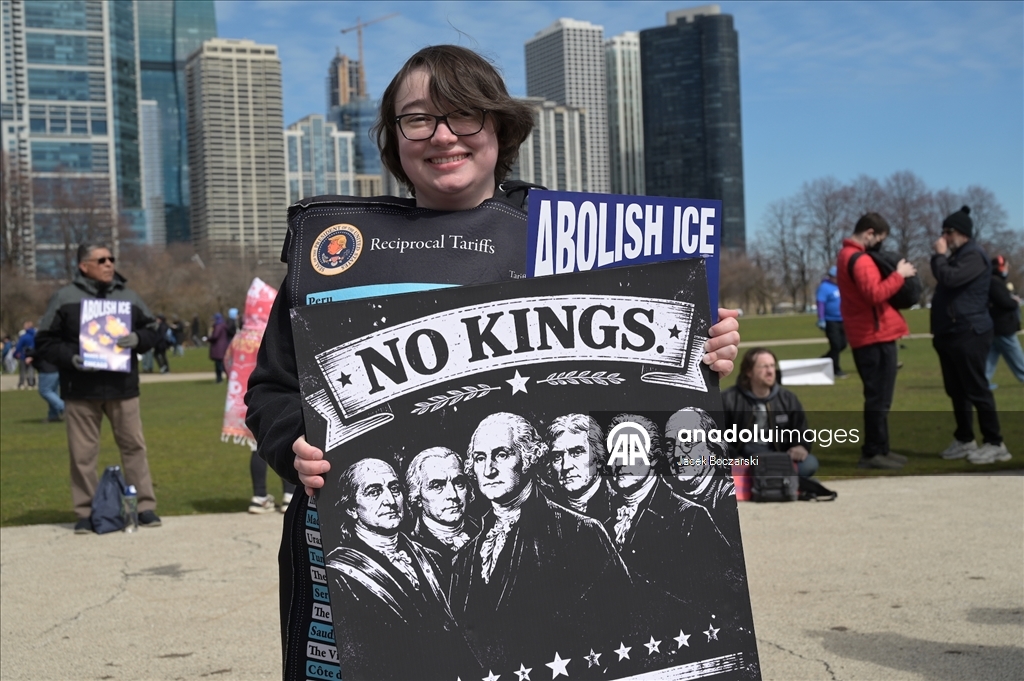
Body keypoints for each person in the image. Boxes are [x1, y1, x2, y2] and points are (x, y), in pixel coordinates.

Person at [245, 45, 743, 680]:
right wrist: (294, 445)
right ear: (394, 140)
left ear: (500, 129)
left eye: (464, 116)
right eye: (417, 119)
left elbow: (634, 385)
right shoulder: (337, 253)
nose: (442, 135)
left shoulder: (575, 240)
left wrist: (701, 360)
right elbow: (272, 391)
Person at [449, 413, 631, 671]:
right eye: (480, 458)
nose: (489, 470)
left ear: (528, 457)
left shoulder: (581, 532)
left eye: (502, 454)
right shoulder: (463, 560)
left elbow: (619, 630)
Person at [34, 243, 162, 533]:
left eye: (111, 259)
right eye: (101, 259)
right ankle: (85, 512)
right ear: (84, 266)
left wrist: (137, 338)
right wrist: (72, 357)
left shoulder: (128, 297)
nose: (109, 264)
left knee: (134, 448)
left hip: (123, 387)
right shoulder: (64, 297)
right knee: (82, 454)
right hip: (80, 389)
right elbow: (44, 341)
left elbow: (155, 330)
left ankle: (144, 507)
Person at [324, 457, 480, 680]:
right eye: (374, 491)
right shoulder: (338, 576)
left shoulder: (433, 558)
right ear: (351, 508)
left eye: (394, 489)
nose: (390, 500)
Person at [606, 414, 730, 627]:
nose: (618, 461)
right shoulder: (604, 520)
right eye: (614, 452)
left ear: (654, 457)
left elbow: (722, 597)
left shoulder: (690, 516)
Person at [836, 213, 915, 469]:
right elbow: (875, 293)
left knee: (880, 398)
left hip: (869, 335)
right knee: (878, 398)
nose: (879, 244)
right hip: (873, 336)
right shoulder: (859, 259)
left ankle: (881, 449)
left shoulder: (846, 255)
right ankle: (872, 453)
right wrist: (900, 275)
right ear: (869, 233)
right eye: (879, 239)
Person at [931, 207, 1010, 465]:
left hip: (969, 331)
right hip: (951, 332)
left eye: (948, 232)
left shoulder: (974, 255)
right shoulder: (958, 256)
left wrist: (939, 256)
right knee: (957, 391)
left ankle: (995, 442)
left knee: (977, 389)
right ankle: (965, 438)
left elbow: (949, 279)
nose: (944, 237)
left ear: (962, 233)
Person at [721, 348, 819, 476]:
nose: (770, 371)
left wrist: (801, 446)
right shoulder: (729, 399)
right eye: (764, 367)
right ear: (749, 372)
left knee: (809, 464)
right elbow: (716, 436)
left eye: (772, 366)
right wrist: (734, 457)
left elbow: (801, 431)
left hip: (778, 457)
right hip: (744, 458)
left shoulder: (787, 399)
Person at [663, 407, 738, 534]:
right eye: (670, 446)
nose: (676, 454)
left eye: (688, 443)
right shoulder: (663, 495)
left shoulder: (729, 497)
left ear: (713, 449)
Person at [405, 447, 478, 569]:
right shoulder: (410, 546)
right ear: (417, 497)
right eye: (437, 486)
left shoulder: (484, 529)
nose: (453, 495)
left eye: (458, 483)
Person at [544, 413, 616, 524]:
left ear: (598, 457)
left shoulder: (620, 504)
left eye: (577, 453)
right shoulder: (543, 510)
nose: (566, 466)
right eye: (557, 456)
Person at [986, 255, 1024, 389]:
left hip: (997, 326)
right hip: (1003, 326)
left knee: (991, 355)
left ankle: (983, 381)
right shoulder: (995, 282)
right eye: (1006, 266)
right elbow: (1004, 302)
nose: (1007, 269)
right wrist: (1014, 302)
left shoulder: (994, 282)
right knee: (1016, 354)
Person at [816, 265, 847, 377]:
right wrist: (821, 319)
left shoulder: (841, 286)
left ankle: (823, 360)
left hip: (842, 319)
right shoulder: (824, 287)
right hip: (830, 320)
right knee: (835, 345)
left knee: (843, 344)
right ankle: (836, 369)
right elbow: (821, 304)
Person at [29, 345, 64, 422]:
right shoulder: (55, 342)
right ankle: (53, 415)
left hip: (47, 370)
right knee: (53, 392)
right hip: (56, 368)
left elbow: (37, 351)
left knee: (45, 391)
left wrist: (29, 354)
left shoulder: (44, 341)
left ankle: (63, 408)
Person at [14, 321, 36, 389]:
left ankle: (22, 383)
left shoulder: (24, 337)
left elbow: (19, 347)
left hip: (24, 355)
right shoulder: (36, 335)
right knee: (31, 369)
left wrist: (15, 354)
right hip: (33, 355)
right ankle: (31, 383)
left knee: (22, 370)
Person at [208, 313, 229, 383]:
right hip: (223, 346)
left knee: (219, 365)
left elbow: (215, 336)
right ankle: (226, 378)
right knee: (223, 364)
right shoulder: (224, 325)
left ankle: (219, 379)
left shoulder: (218, 326)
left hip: (218, 347)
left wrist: (208, 339)